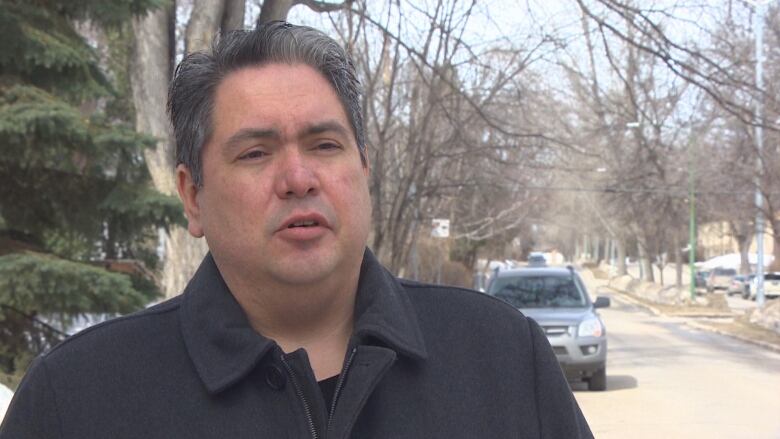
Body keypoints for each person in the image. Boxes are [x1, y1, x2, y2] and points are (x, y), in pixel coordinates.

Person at [0, 22, 592, 438]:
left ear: (363, 170)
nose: (298, 177)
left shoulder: (501, 358)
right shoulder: (77, 400)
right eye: (255, 153)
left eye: (325, 144)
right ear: (192, 196)